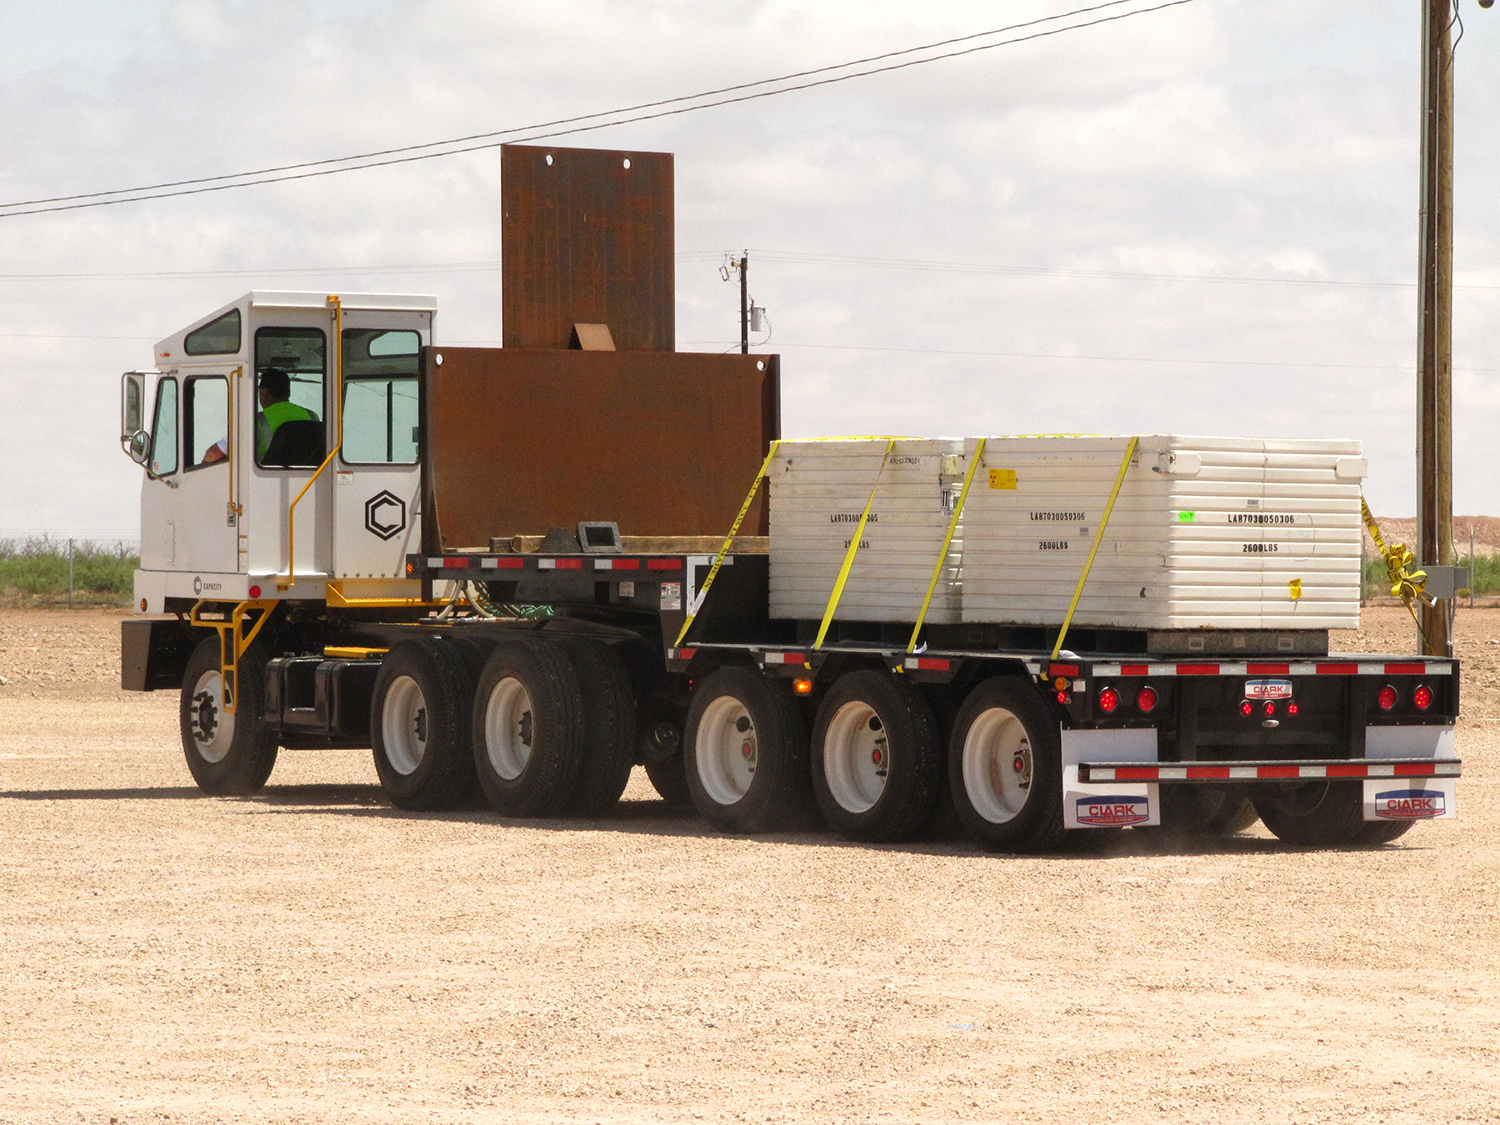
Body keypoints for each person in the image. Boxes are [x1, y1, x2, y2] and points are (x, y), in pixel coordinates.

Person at [198, 367, 319, 464]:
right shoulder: (312, 415)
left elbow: (214, 454)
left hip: (265, 483)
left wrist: (203, 466)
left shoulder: (257, 421)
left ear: (265, 392)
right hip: (309, 481)